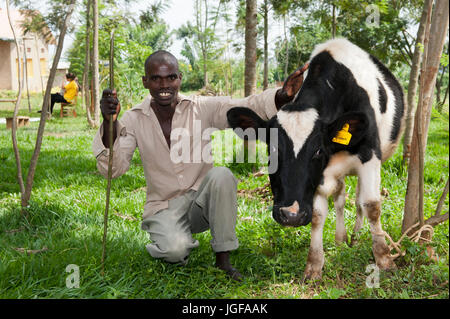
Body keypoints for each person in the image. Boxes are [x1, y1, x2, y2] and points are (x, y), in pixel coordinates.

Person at [93, 50, 307, 281]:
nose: (164, 85)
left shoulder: (201, 107)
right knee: (174, 252)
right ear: (145, 81)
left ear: (180, 78)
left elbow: (244, 104)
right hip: (163, 206)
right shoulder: (133, 119)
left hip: (202, 202)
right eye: (156, 78)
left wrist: (282, 96)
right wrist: (108, 123)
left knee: (222, 175)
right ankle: (176, 237)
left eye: (171, 77)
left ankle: (223, 260)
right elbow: (112, 170)